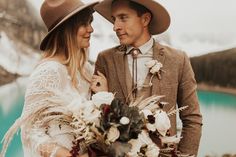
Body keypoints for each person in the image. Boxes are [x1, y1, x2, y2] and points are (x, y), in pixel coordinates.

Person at [91, 0, 202, 156]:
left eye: (123, 18)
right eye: (114, 19)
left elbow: (192, 118)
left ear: (145, 19)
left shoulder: (178, 59)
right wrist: (101, 98)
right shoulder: (105, 59)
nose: (115, 26)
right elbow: (94, 117)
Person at [0, 0, 102, 157]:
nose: (91, 29)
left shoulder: (86, 69)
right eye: (84, 24)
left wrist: (103, 93)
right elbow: (30, 132)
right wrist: (65, 155)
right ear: (66, 30)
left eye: (90, 22)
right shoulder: (47, 72)